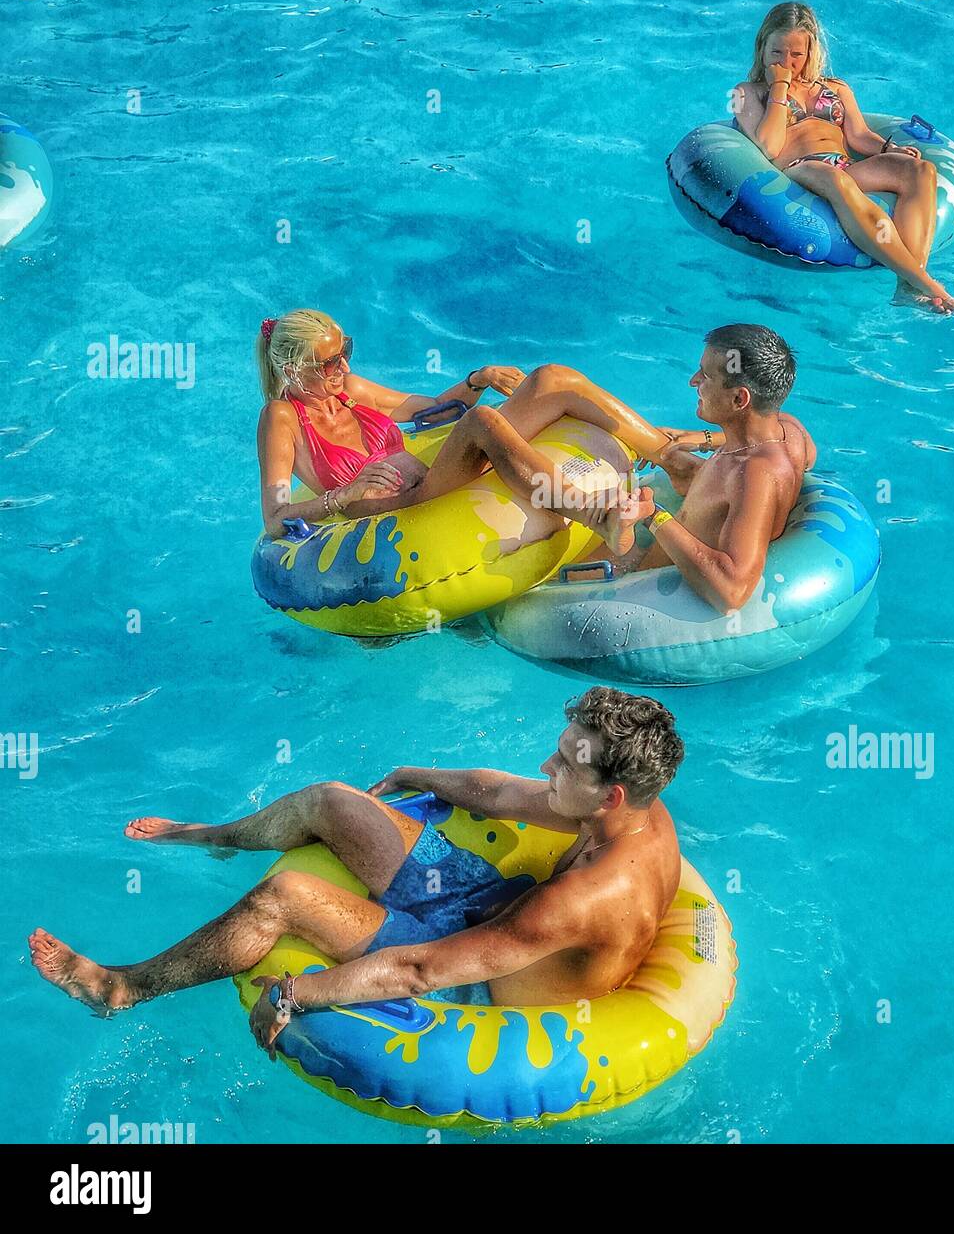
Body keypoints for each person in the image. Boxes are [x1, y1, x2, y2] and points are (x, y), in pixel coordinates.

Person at [29, 688, 685, 1055]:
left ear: (610, 795)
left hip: (478, 982)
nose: (547, 766)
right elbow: (501, 793)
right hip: (490, 905)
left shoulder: (587, 898)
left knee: (282, 897)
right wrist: (414, 776)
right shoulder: (631, 813)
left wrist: (293, 995)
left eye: (566, 763)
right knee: (330, 800)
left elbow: (422, 970)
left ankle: (121, 989)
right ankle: (216, 836)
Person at [254, 309, 662, 553]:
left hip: (431, 480)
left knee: (550, 379)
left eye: (346, 352)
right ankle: (596, 515)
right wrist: (344, 495)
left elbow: (432, 412)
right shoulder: (281, 418)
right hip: (388, 508)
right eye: (329, 363)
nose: (344, 367)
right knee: (482, 422)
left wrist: (477, 380)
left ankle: (668, 454)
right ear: (293, 370)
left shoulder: (352, 390)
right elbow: (275, 518)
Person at [732, 0, 954, 314]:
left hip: (844, 165)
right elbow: (770, 147)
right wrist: (779, 88)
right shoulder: (748, 93)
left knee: (919, 170)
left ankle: (908, 286)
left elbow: (858, 135)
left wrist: (888, 149)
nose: (788, 62)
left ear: (811, 52)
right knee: (835, 179)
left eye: (797, 54)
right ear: (762, 47)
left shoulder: (836, 88)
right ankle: (927, 283)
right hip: (801, 168)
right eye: (777, 53)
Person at [585, 323, 816, 613]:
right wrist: (704, 439)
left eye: (705, 376)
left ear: (739, 399)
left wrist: (653, 516)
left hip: (634, 585)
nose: (693, 381)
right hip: (643, 557)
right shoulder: (791, 432)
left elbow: (732, 593)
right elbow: (807, 454)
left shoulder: (753, 474)